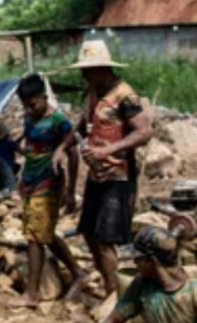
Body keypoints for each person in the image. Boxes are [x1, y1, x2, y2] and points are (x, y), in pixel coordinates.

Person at [53, 40, 153, 297]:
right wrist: (62, 147)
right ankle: (110, 283)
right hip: (97, 174)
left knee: (106, 237)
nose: (83, 75)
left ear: (102, 68)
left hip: (118, 175)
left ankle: (114, 294)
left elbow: (144, 131)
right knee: (87, 231)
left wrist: (108, 150)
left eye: (88, 70)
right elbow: (82, 123)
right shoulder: (92, 93)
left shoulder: (124, 95)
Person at [9, 74, 87, 309]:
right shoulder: (29, 119)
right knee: (46, 234)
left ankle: (31, 294)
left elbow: (73, 154)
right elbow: (32, 150)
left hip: (49, 185)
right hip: (31, 183)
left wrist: (72, 191)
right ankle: (78, 272)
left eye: (33, 104)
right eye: (26, 106)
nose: (30, 109)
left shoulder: (59, 122)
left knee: (34, 237)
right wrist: (23, 180)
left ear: (44, 96)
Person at [104, 226, 197, 323]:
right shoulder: (141, 284)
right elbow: (114, 318)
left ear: (151, 261)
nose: (134, 262)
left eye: (138, 258)